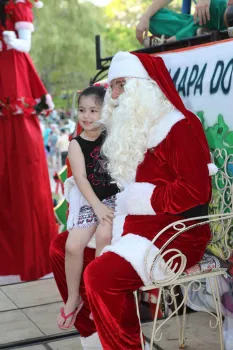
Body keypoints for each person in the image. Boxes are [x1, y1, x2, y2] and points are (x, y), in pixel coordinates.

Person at [50, 51, 218, 349]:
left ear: (144, 86)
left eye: (120, 85)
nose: (112, 95)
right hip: (127, 223)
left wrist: (144, 198)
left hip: (173, 233)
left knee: (101, 277)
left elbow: (195, 192)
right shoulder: (131, 125)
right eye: (111, 86)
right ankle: (94, 336)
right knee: (60, 249)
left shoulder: (179, 125)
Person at [0, 0, 57, 283]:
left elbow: (26, 45)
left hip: (16, 76)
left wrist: (12, 41)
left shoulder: (18, 5)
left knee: (26, 170)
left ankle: (33, 256)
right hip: (5, 75)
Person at [57, 86, 118, 330]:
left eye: (94, 110)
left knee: (104, 235)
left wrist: (105, 209)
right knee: (72, 246)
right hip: (90, 199)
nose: (87, 116)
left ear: (105, 112)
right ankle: (74, 297)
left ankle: (98, 297)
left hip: (115, 198)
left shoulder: (113, 136)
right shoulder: (76, 144)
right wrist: (97, 207)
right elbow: (81, 178)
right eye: (82, 110)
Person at [136, 0, 233, 46]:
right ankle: (198, 34)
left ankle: (171, 41)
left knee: (213, 5)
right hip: (201, 20)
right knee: (154, 18)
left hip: (224, 15)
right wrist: (145, 17)